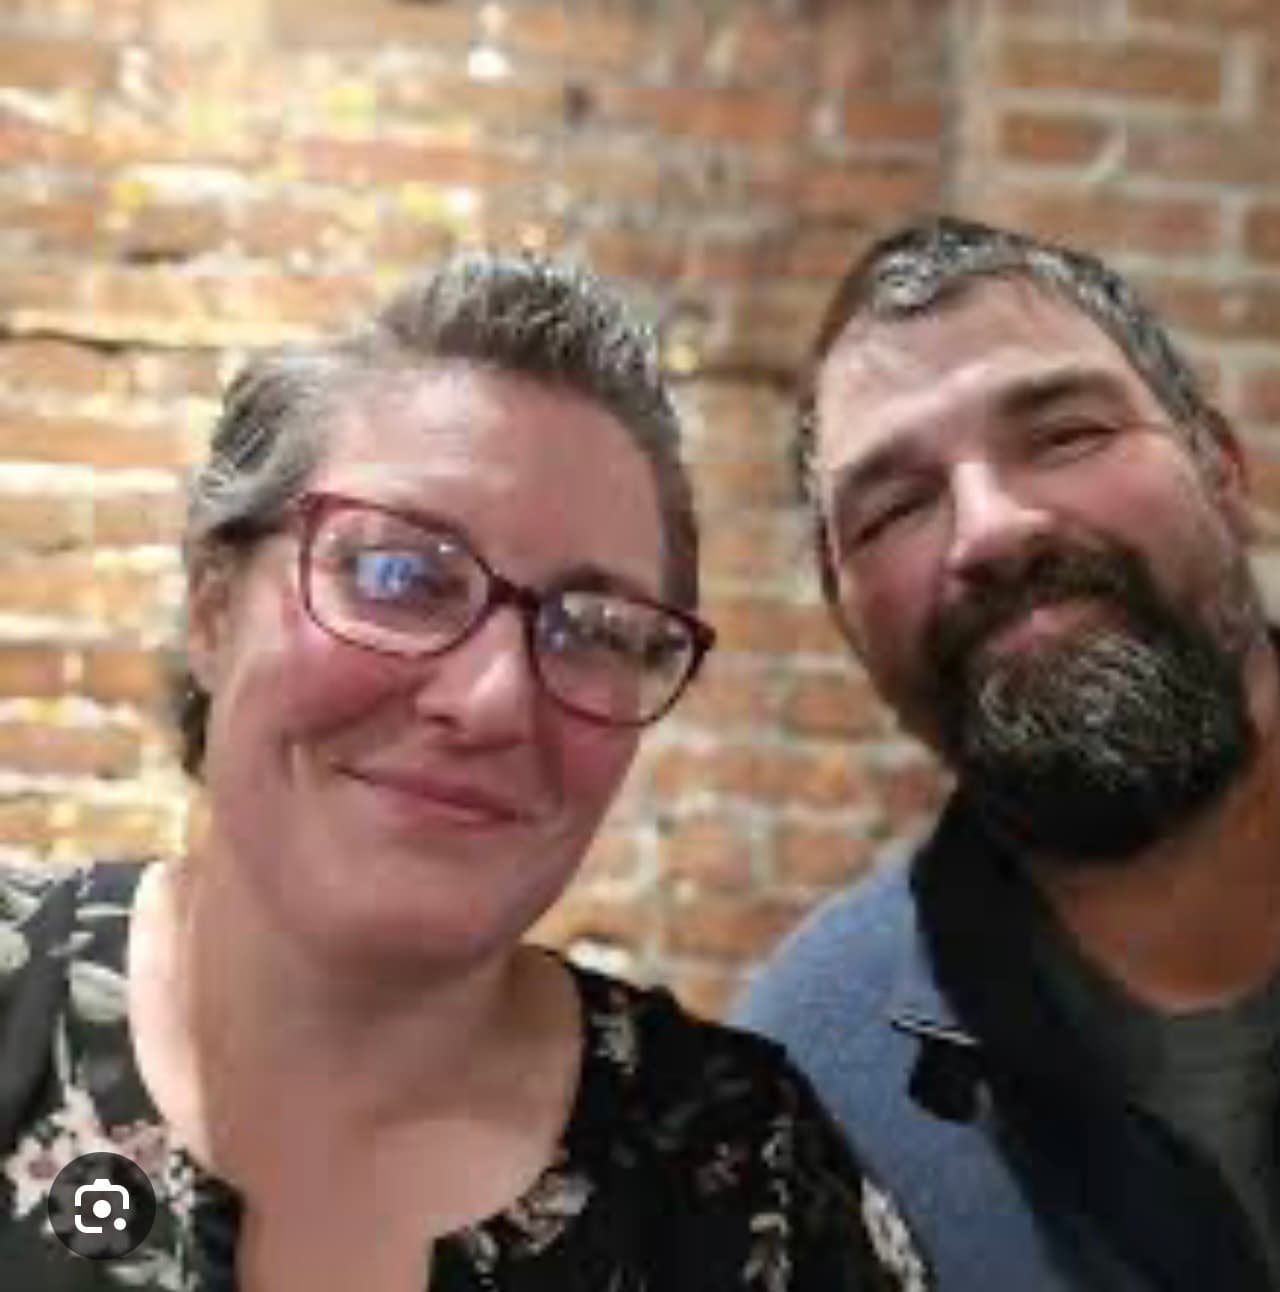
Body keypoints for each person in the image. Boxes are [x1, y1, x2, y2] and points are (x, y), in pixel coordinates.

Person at [0, 252, 925, 1291]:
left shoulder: (746, 1178)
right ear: (214, 607)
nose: (490, 700)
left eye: (595, 629)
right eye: (398, 575)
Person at [734, 215, 1280, 1291]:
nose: (992, 529)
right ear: (846, 615)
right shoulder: (809, 1091)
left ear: (1221, 467)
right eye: (898, 505)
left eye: (1065, 435)